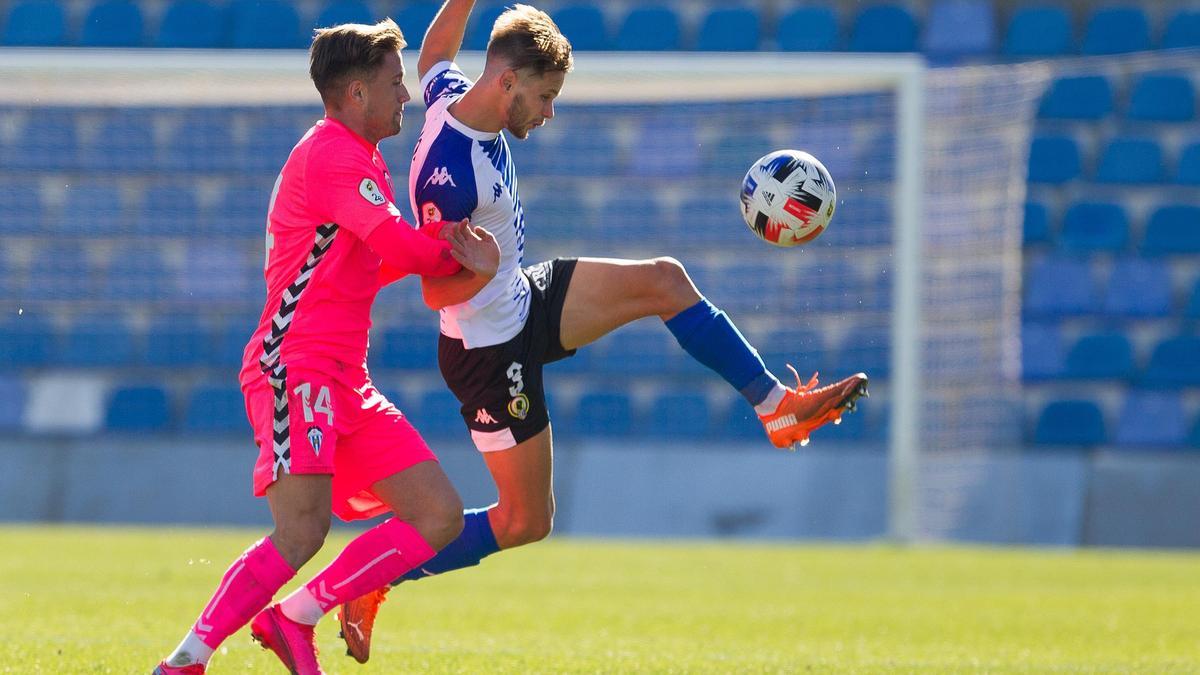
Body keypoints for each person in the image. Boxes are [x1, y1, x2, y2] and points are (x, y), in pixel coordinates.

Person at [336, 2, 869, 663]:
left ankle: (776, 408)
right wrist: (486, 266)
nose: (550, 111)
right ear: (506, 83)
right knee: (524, 521)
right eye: (546, 96)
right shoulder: (451, 172)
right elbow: (435, 288)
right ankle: (376, 572)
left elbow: (434, 54)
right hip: (486, 347)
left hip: (522, 299)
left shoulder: (452, 95)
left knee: (665, 281)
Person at [152, 18, 500, 675]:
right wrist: (459, 255)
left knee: (438, 515)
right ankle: (185, 660)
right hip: (296, 365)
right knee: (301, 529)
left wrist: (456, 260)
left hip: (345, 377)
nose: (406, 96)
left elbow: (375, 265)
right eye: (395, 83)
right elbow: (399, 248)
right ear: (355, 94)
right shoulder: (333, 155)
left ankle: (295, 615)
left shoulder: (360, 162)